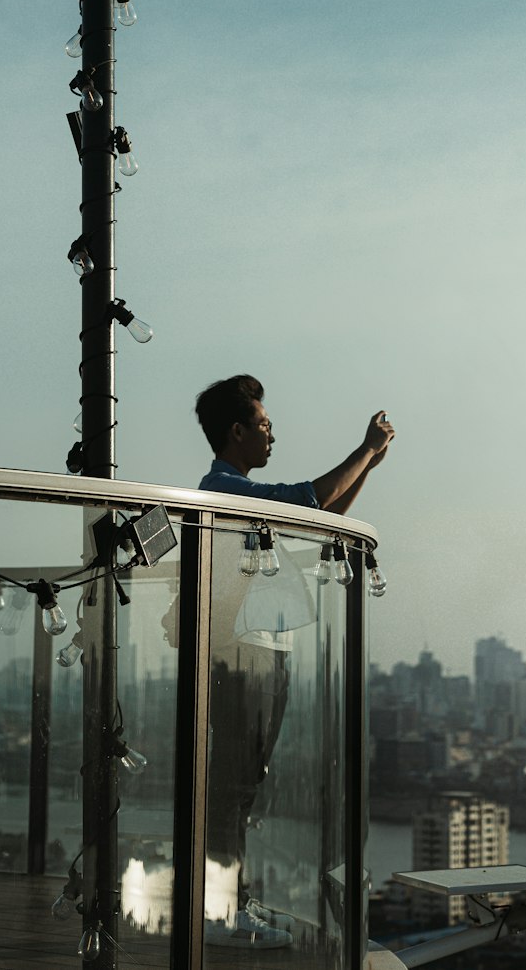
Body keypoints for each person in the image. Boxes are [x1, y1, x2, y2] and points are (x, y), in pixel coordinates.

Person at [193, 375, 394, 950]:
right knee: (233, 789)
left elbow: (322, 517)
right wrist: (365, 451)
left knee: (242, 787)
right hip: (244, 658)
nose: (271, 436)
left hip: (259, 655)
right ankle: (218, 911)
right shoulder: (226, 490)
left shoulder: (241, 494)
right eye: (263, 425)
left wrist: (368, 466)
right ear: (236, 431)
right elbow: (313, 499)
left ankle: (228, 899)